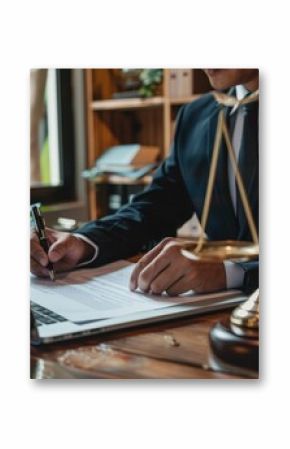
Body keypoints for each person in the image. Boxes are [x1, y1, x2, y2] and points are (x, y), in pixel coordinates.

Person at [31, 69, 259, 295]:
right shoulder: (195, 116)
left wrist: (230, 273)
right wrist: (83, 244)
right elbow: (153, 210)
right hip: (211, 313)